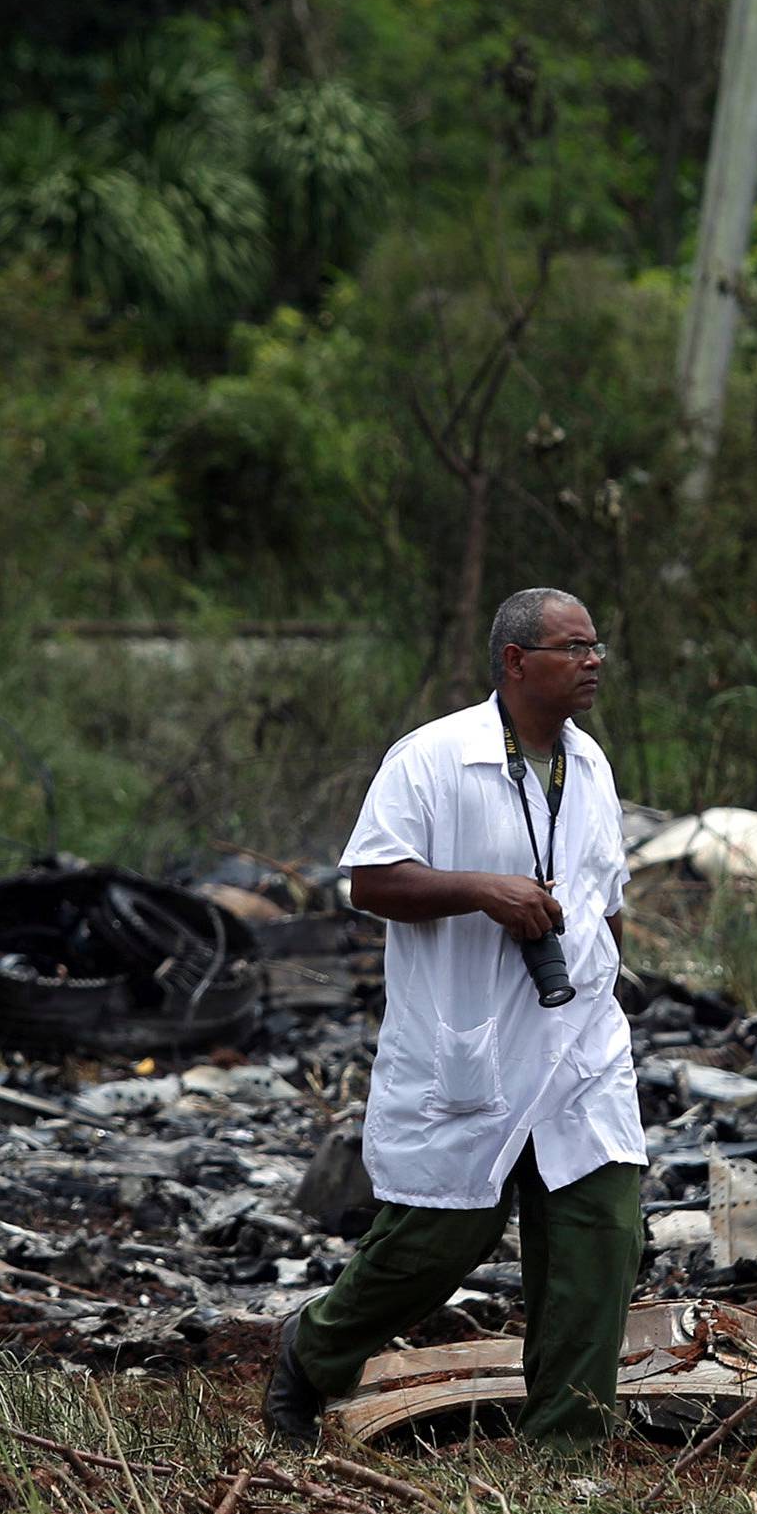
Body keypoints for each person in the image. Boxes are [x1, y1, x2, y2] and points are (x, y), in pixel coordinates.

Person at [265, 586, 644, 1449]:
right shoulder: (432, 759)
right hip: (475, 1044)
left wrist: (610, 986)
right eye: (572, 648)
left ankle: (562, 1454)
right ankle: (312, 1353)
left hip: (579, 1047)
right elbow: (371, 880)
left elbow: (601, 894)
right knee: (438, 1242)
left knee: (601, 1239)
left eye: (597, 648)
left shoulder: (591, 766)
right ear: (516, 661)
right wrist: (483, 889)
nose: (593, 664)